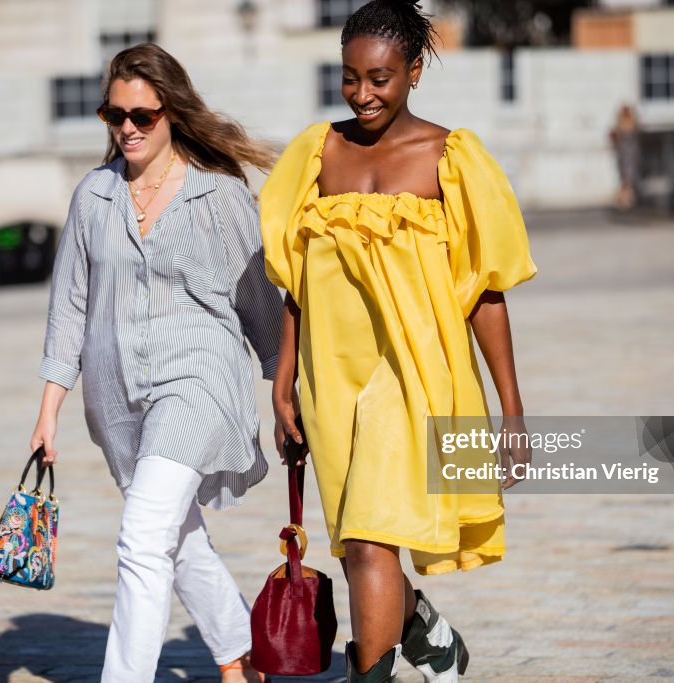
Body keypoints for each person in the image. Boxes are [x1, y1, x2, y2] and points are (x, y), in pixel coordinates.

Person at [259, 2, 536, 681]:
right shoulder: (316, 153)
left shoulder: (452, 159)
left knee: (375, 534)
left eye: (380, 78)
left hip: (415, 372)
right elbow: (295, 281)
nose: (362, 94)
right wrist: (283, 377)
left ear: (414, 71)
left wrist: (512, 407)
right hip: (332, 377)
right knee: (360, 543)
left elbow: (485, 293)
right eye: (350, 77)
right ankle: (425, 632)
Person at [30, 43, 281, 683]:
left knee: (142, 538)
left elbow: (259, 303)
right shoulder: (94, 195)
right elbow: (69, 307)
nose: (129, 129)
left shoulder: (217, 196)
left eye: (143, 115)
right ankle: (239, 653)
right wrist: (48, 412)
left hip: (197, 380)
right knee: (175, 532)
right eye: (115, 115)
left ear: (173, 112)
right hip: (115, 395)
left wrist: (287, 392)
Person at [610, 104, 640, 209]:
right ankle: (624, 199)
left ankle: (625, 198)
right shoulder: (626, 123)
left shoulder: (626, 123)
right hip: (625, 153)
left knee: (627, 177)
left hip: (627, 153)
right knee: (626, 177)